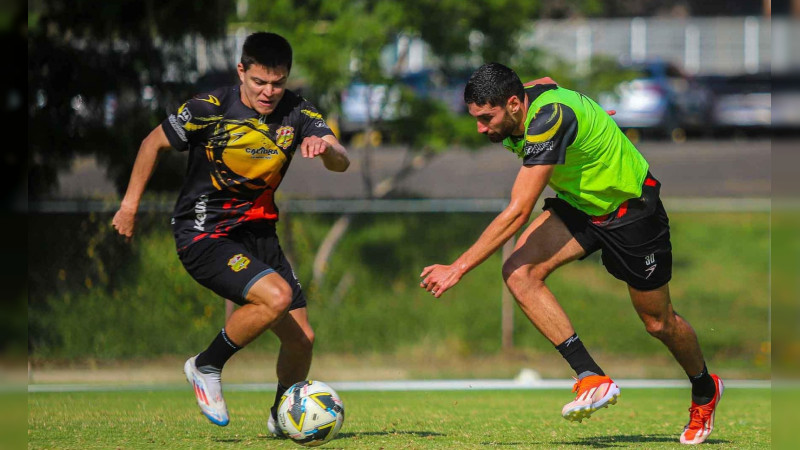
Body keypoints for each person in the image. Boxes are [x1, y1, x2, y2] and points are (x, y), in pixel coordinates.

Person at [419, 63, 722, 445]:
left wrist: (457, 267)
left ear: (514, 104)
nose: (480, 128)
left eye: (486, 118)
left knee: (658, 323)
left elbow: (517, 212)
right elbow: (547, 83)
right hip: (580, 207)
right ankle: (591, 377)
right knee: (518, 272)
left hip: (630, 212)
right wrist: (590, 113)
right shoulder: (526, 98)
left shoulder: (547, 121)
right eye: (476, 118)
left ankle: (705, 388)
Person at [112, 32, 349, 434]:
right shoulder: (209, 107)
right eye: (259, 82)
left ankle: (281, 416)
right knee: (277, 296)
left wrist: (326, 149)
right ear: (242, 71)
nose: (269, 92)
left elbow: (340, 159)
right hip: (205, 234)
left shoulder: (298, 112)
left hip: (259, 234)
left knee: (302, 339)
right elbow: (152, 144)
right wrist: (129, 205)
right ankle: (206, 366)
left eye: (278, 82)